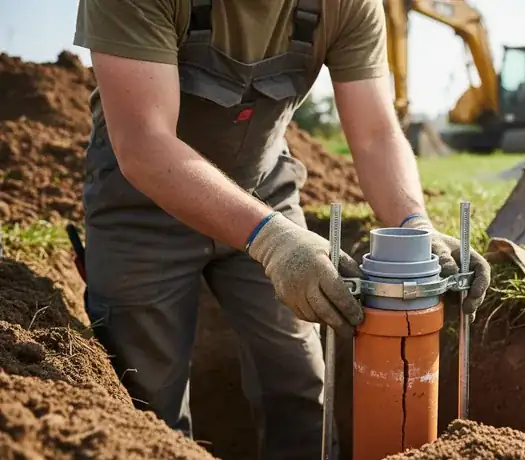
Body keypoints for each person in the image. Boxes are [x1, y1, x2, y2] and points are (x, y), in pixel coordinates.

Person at [72, 0, 491, 458]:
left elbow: (375, 133)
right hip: (143, 204)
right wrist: (271, 241)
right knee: (145, 400)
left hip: (262, 190)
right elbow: (145, 143)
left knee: (299, 381)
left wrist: (414, 224)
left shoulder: (346, 5)